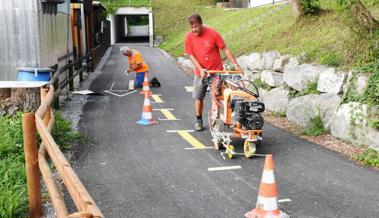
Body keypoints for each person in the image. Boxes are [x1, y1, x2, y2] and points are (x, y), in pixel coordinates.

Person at [184, 13, 242, 131]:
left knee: (215, 97)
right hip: (200, 73)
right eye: (192, 27)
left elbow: (224, 49)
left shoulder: (212, 34)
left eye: (196, 26)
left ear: (201, 24)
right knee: (198, 97)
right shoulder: (189, 37)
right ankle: (199, 120)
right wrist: (200, 69)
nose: (194, 29)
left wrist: (236, 65)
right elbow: (190, 55)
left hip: (215, 72)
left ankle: (215, 120)